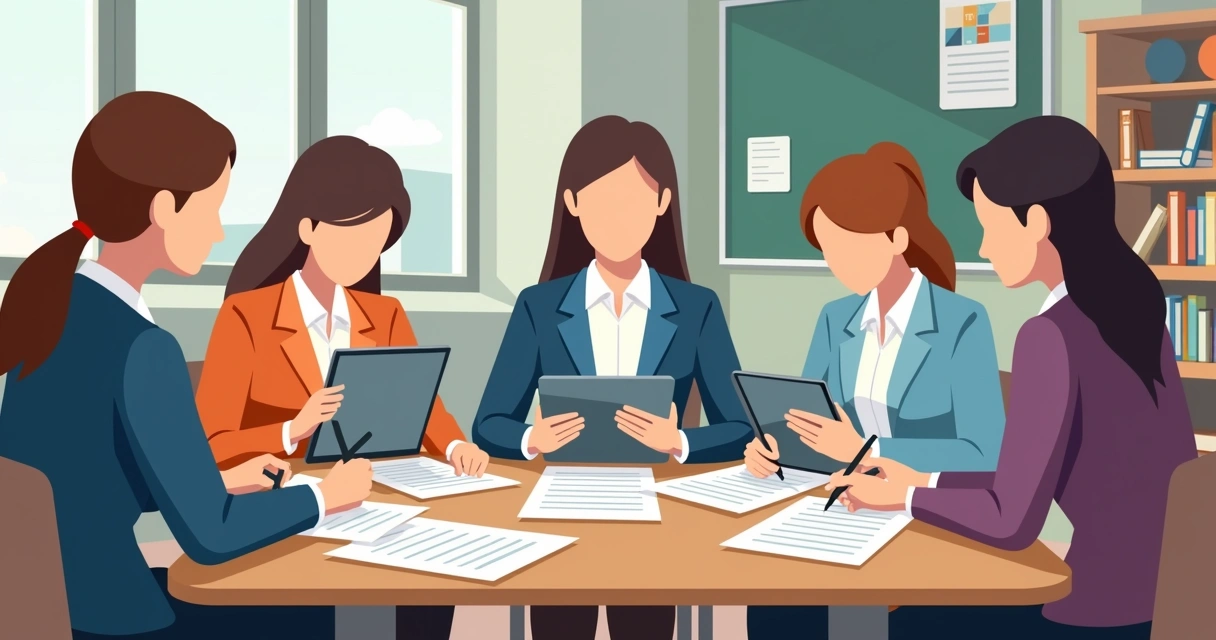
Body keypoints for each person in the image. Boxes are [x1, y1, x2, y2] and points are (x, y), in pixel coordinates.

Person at [0, 91, 372, 639]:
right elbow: (212, 538)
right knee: (313, 607)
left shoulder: (52, 310)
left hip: (54, 604)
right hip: (122, 619)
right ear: (165, 208)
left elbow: (90, 476)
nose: (219, 231)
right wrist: (323, 496)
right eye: (213, 208)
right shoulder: (145, 347)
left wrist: (219, 480)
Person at [824, 116, 1196, 639]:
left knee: (872, 617)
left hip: (1086, 614)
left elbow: (1011, 522)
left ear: (1037, 223)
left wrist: (904, 499)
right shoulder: (1134, 312)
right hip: (1164, 602)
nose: (982, 248)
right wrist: (923, 480)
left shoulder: (1050, 336)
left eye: (991, 227)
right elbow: (1024, 483)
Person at [196, 134, 488, 640]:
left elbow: (425, 407)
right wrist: (292, 428)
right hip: (293, 508)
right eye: (355, 236)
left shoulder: (386, 314)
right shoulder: (247, 315)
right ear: (307, 227)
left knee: (432, 581)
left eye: (378, 242)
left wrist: (456, 443)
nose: (367, 254)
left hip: (382, 496)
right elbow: (208, 444)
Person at [471, 115, 752, 640]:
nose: (617, 219)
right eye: (599, 201)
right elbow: (487, 423)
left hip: (659, 510)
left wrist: (681, 441)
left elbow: (740, 426)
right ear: (573, 204)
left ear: (663, 202)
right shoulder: (538, 306)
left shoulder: (696, 308)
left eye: (633, 201)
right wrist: (532, 438)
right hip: (559, 510)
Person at [742, 142, 1006, 638]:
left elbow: (984, 451)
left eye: (844, 245)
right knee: (773, 600)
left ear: (897, 238)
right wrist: (773, 448)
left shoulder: (962, 321)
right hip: (843, 506)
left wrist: (870, 449)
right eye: (824, 248)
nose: (831, 262)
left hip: (921, 515)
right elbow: (812, 422)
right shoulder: (834, 318)